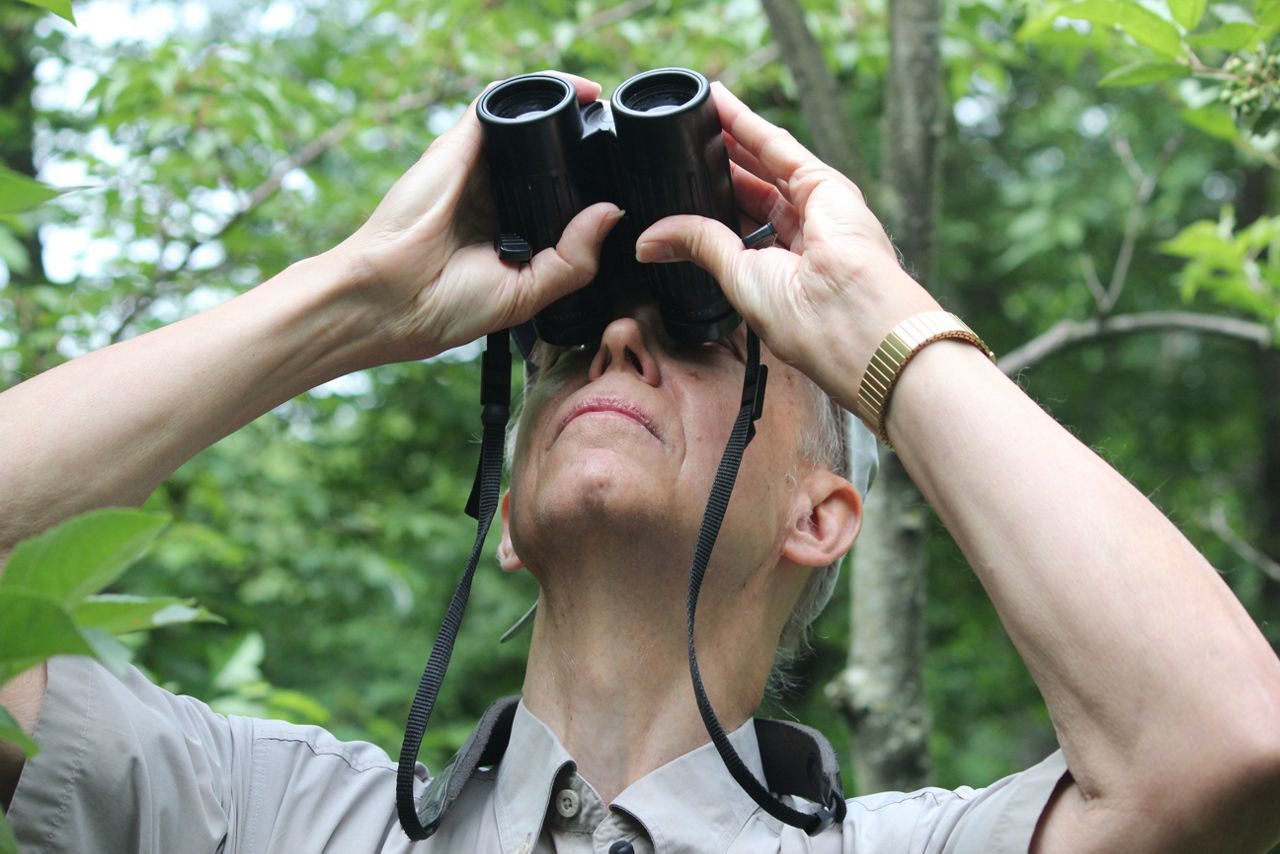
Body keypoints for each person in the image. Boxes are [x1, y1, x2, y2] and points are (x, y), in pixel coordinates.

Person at [1, 71, 1279, 854]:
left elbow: (1223, 742)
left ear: (821, 513)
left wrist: (867, 320)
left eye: (699, 332)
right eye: (565, 348)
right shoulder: (265, 817)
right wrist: (351, 301)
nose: (614, 332)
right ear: (505, 516)